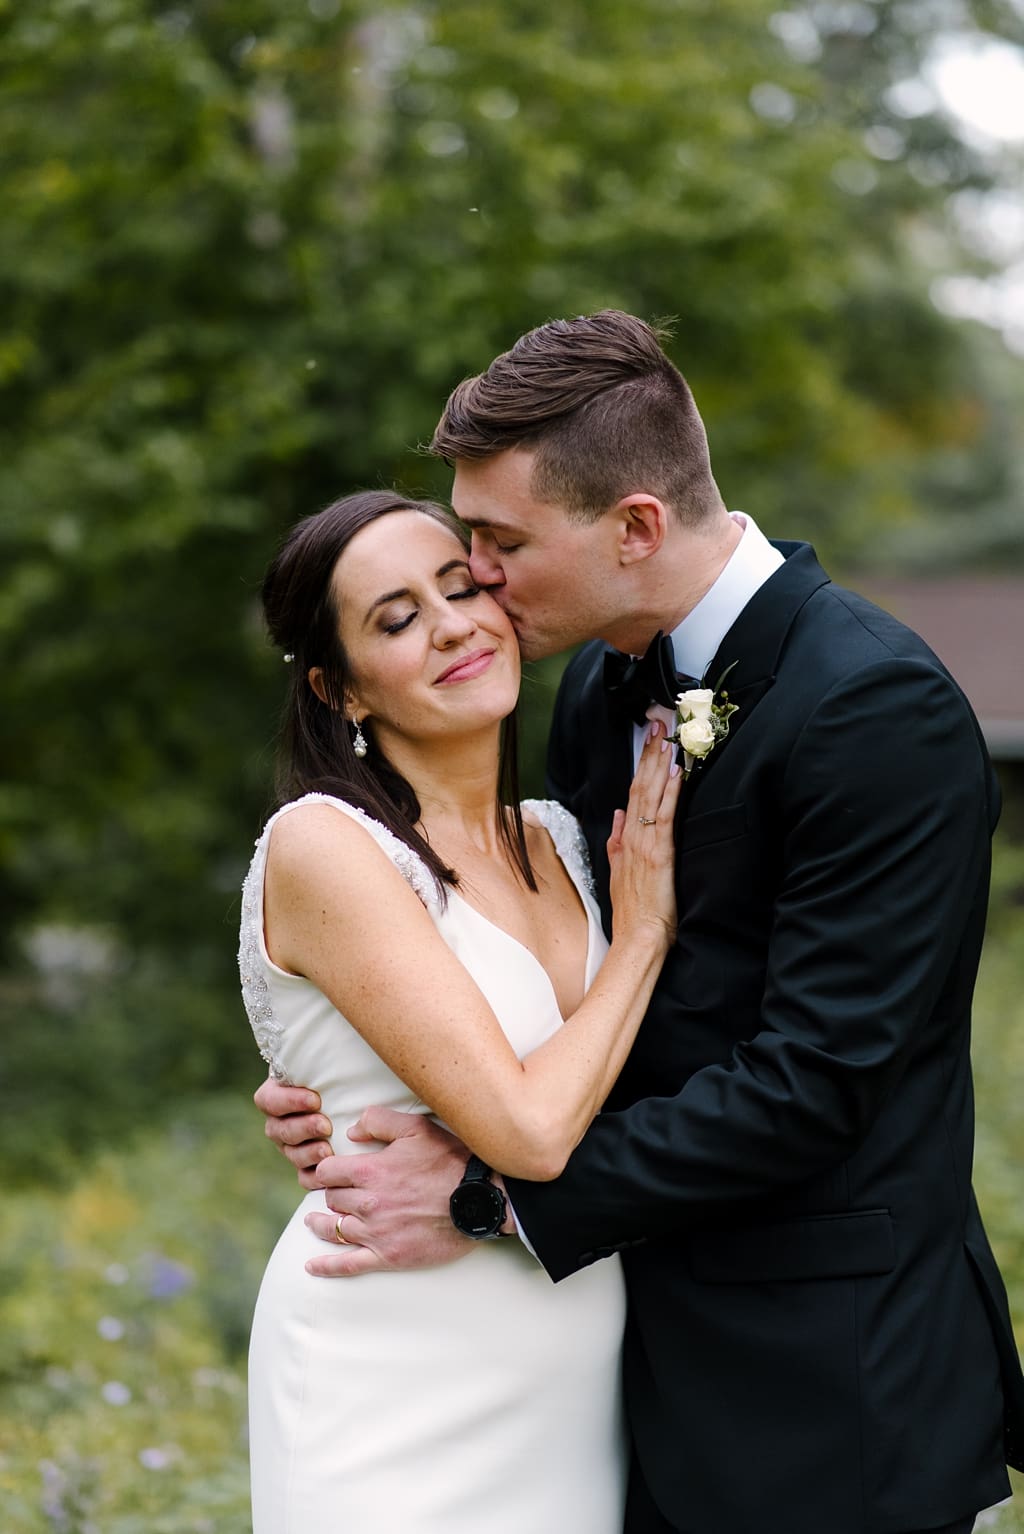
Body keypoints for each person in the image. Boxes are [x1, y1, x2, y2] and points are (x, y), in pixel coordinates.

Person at [258, 312, 1024, 1534]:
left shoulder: (876, 707)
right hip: (615, 1370)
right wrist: (355, 1087)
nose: (483, 584)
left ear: (634, 527)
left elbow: (816, 1078)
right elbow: (576, 996)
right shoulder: (600, 688)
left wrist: (482, 1196)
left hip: (824, 1391)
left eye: (499, 545)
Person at [239, 487, 683, 1533]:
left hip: (571, 1366)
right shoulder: (325, 842)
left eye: (459, 586)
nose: (449, 625)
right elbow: (528, 1128)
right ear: (339, 689)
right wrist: (648, 931)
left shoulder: (563, 840)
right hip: (390, 1364)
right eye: (394, 619)